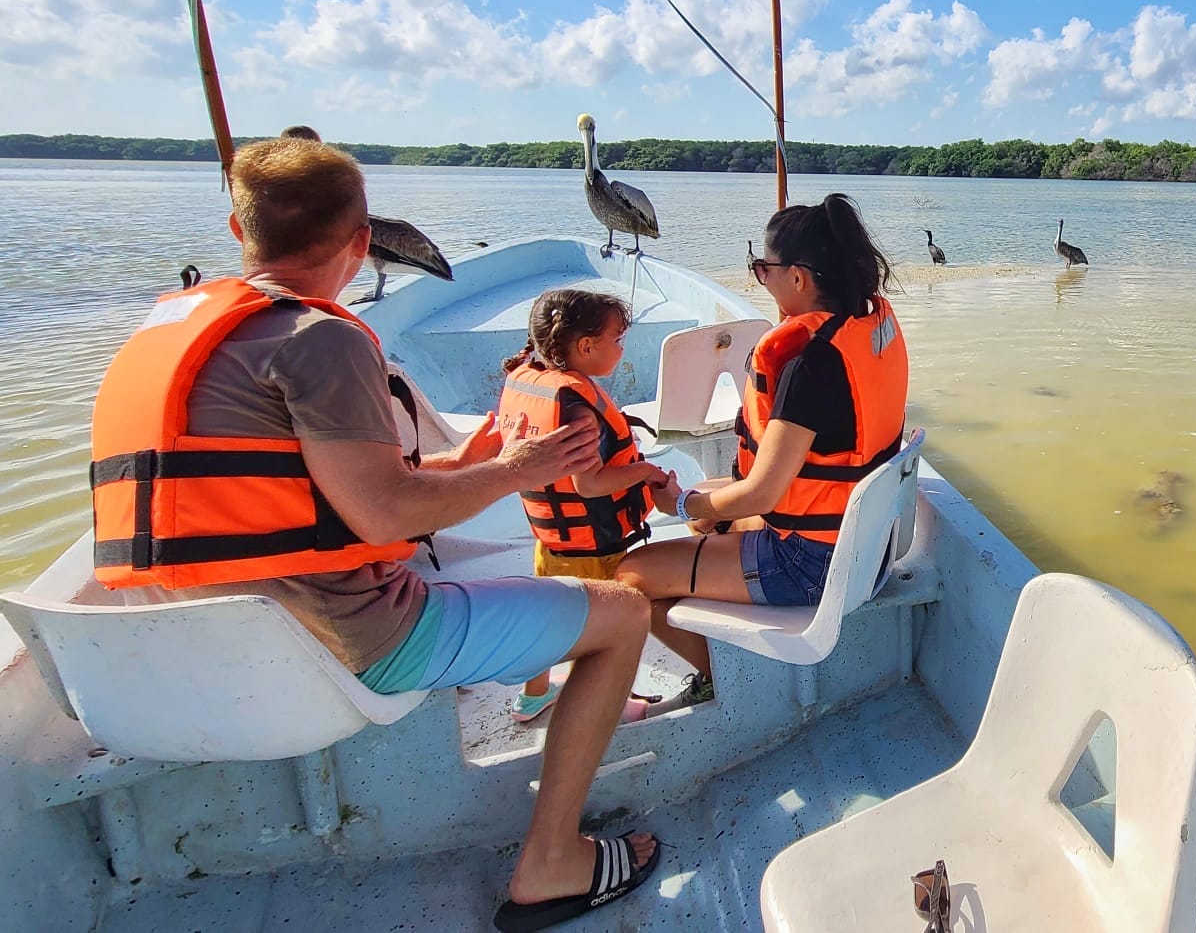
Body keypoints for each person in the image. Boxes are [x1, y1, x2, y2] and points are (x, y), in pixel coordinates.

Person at [87, 136, 662, 928]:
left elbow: (295, 495)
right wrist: (518, 471)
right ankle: (553, 861)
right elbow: (385, 515)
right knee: (624, 614)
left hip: (166, 658)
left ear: (237, 231)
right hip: (340, 643)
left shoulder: (160, 336)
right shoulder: (319, 339)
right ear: (362, 244)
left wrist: (469, 462)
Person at [616, 193, 908, 692]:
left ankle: (731, 681)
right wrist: (702, 507)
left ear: (797, 277)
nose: (760, 279)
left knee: (632, 574)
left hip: (813, 564)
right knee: (711, 511)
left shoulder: (811, 366)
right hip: (871, 543)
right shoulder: (868, 327)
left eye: (761, 268)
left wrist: (682, 503)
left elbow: (761, 495)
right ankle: (731, 617)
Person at [496, 289, 694, 722]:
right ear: (585, 347)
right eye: (618, 339)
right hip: (593, 548)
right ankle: (608, 705)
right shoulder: (578, 409)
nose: (623, 349)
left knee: (550, 618)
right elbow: (590, 485)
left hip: (551, 541)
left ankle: (533, 697)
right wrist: (644, 473)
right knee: (605, 628)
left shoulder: (530, 379)